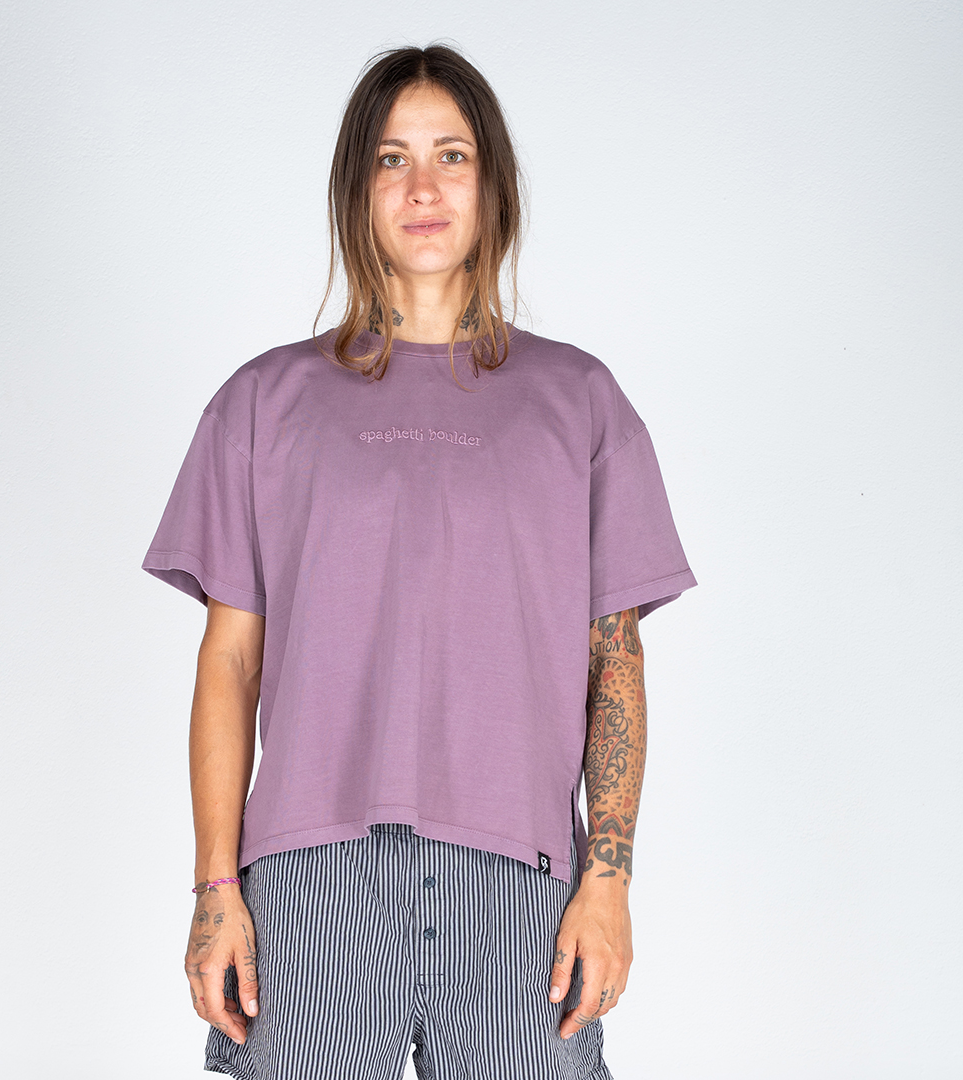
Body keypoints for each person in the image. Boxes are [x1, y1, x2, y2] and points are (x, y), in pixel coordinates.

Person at [143, 43, 696, 1080]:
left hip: (523, 881)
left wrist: (609, 879)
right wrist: (216, 889)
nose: (424, 188)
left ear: (494, 186)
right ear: (357, 189)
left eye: (452, 155)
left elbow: (614, 659)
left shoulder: (580, 401)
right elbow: (229, 662)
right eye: (392, 159)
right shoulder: (264, 404)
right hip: (311, 876)